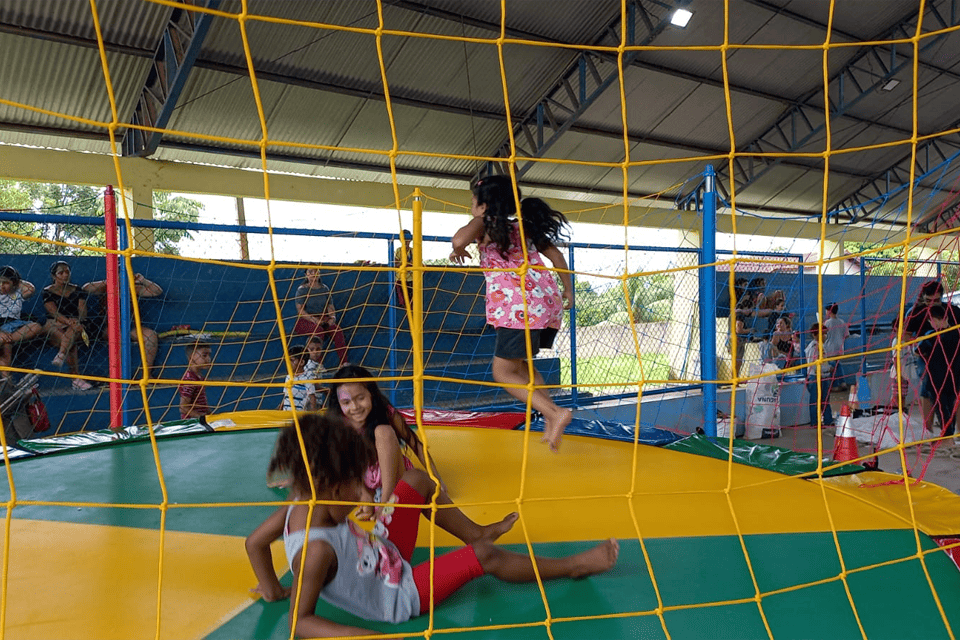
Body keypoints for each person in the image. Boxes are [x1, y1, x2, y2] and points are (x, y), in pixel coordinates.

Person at [245, 414, 619, 637]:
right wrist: (366, 637)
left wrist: (272, 589)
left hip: (380, 549)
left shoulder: (299, 507)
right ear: (329, 487)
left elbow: (254, 543)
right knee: (484, 556)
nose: (364, 495)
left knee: (419, 481)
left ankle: (475, 530)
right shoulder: (318, 552)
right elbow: (300, 622)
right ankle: (574, 566)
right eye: (355, 487)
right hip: (397, 593)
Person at [450, 175, 574, 451]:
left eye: (474, 201)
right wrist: (568, 290)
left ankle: (555, 413)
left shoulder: (485, 223)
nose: (472, 205)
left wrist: (459, 246)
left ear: (484, 205)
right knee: (523, 367)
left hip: (516, 307)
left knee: (503, 371)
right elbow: (556, 256)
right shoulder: (524, 227)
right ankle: (550, 419)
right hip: (545, 302)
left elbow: (458, 238)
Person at [326, 364, 444, 519]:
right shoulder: (339, 422)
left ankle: (385, 503)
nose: (354, 407)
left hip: (394, 476)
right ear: (339, 403)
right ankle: (372, 504)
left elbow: (414, 443)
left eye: (360, 398)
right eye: (346, 402)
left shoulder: (385, 411)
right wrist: (363, 493)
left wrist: (437, 479)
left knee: (383, 431)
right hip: (366, 482)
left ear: (371, 394)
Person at [904, 280, 960, 432]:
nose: (932, 304)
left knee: (955, 390)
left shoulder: (952, 311)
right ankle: (927, 429)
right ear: (923, 297)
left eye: (936, 300)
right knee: (928, 389)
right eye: (928, 301)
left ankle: (956, 431)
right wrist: (919, 343)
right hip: (928, 356)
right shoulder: (916, 312)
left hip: (952, 356)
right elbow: (906, 335)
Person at [82, 272, 163, 376]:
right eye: (118, 274)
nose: (121, 277)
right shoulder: (105, 288)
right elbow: (86, 288)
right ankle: (119, 375)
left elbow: (157, 291)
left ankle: (146, 373)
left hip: (131, 327)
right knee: (117, 336)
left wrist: (143, 281)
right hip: (109, 327)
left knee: (151, 336)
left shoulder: (133, 288)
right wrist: (108, 281)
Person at [41, 260, 94, 390]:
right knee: (70, 341)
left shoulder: (77, 290)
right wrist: (68, 321)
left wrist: (77, 320)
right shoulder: (47, 292)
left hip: (75, 324)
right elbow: (53, 312)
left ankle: (61, 354)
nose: (65, 275)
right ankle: (76, 379)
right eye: (61, 273)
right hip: (55, 323)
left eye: (67, 272)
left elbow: (82, 309)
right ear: (54, 276)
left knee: (72, 337)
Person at [915, 305, 960, 439]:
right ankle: (947, 435)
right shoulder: (955, 333)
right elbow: (919, 351)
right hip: (947, 378)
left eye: (933, 321)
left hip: (942, 378)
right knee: (946, 408)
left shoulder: (933, 335)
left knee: (944, 408)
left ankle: (947, 435)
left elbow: (918, 351)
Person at [292, 267, 349, 367]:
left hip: (323, 318)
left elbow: (330, 306)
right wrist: (314, 320)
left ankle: (343, 363)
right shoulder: (302, 290)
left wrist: (332, 318)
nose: (313, 274)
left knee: (337, 331)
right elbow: (301, 311)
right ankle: (317, 364)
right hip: (305, 320)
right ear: (306, 275)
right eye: (310, 272)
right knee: (318, 331)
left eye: (316, 271)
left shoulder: (324, 289)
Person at [0, 266, 44, 377]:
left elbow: (30, 289)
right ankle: (7, 381)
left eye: (5, 283)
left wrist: (16, 280)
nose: (2, 286)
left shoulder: (17, 294)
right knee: (6, 349)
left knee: (36, 327)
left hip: (14, 325)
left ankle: (7, 339)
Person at [805, 323, 835, 428]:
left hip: (824, 376)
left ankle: (828, 419)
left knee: (825, 400)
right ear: (815, 335)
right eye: (823, 334)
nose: (825, 336)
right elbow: (813, 365)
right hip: (815, 377)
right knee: (815, 401)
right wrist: (827, 368)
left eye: (826, 334)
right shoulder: (813, 347)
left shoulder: (822, 346)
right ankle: (815, 422)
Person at [179, 340, 212, 419]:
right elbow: (183, 408)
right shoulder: (190, 380)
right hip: (192, 422)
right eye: (204, 355)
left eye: (209, 355)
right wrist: (201, 417)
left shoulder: (199, 377)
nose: (208, 359)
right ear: (191, 357)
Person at [280, 345, 317, 412]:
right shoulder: (288, 377)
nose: (288, 363)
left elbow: (312, 397)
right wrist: (279, 409)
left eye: (292, 360)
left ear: (302, 362)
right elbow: (286, 397)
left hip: (298, 413)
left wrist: (313, 413)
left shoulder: (307, 378)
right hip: (286, 412)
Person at [822, 303, 850, 390]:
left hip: (830, 348)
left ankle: (834, 386)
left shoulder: (827, 323)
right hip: (839, 347)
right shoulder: (841, 322)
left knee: (831, 367)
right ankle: (843, 382)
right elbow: (847, 335)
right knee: (838, 365)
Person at [394, 229, 414, 310]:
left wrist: (408, 265)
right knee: (403, 302)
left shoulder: (413, 251)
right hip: (400, 279)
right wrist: (405, 264)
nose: (406, 242)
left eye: (407, 240)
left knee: (413, 301)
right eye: (404, 240)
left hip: (412, 278)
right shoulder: (399, 250)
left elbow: (417, 263)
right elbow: (395, 264)